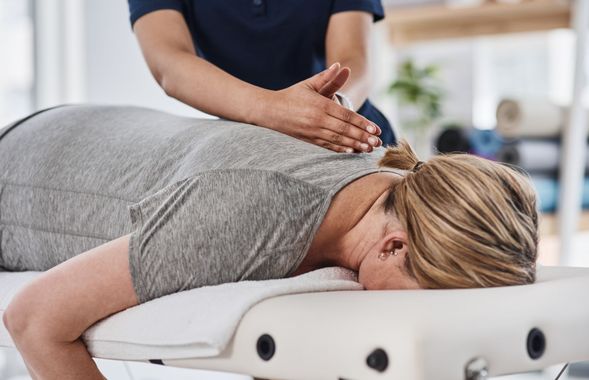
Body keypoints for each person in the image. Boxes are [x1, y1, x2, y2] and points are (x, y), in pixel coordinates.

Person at [1, 105, 537, 379]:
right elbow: (34, 320)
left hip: (89, 128)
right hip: (19, 172)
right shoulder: (249, 215)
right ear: (393, 247)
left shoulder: (400, 194)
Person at [127, 0, 395, 153]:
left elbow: (352, 59)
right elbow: (169, 64)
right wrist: (276, 111)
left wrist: (333, 112)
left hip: (348, 133)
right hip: (247, 146)